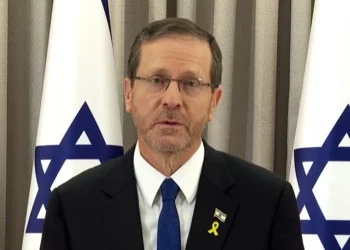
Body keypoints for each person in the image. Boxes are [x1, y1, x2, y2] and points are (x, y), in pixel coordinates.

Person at [40, 18, 304, 250]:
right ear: (129, 93)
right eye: (157, 80)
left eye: (191, 83)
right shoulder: (73, 207)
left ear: (214, 101)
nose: (172, 99)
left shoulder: (267, 203)